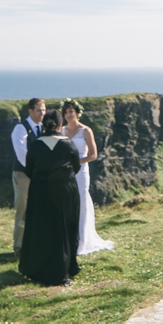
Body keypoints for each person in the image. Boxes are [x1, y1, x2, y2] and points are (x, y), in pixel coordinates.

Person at [18, 108, 82, 286]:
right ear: (60, 125)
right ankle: (66, 267)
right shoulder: (68, 143)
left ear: (44, 126)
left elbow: (29, 170)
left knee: (42, 227)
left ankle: (40, 268)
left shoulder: (36, 145)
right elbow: (76, 167)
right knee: (63, 228)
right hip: (65, 190)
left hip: (41, 190)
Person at [60, 98, 115, 255]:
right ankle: (70, 238)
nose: (69, 115)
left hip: (81, 171)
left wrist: (76, 162)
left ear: (77, 113)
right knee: (67, 202)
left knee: (82, 201)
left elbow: (93, 155)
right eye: (66, 112)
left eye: (71, 111)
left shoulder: (86, 131)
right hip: (65, 172)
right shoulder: (62, 131)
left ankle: (82, 241)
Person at [10, 97, 45, 258]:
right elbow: (21, 154)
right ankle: (19, 247)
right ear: (30, 111)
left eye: (43, 110)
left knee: (38, 209)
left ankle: (35, 243)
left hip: (38, 175)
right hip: (23, 174)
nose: (42, 113)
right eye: (39, 110)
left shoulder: (42, 128)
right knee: (23, 210)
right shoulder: (20, 128)